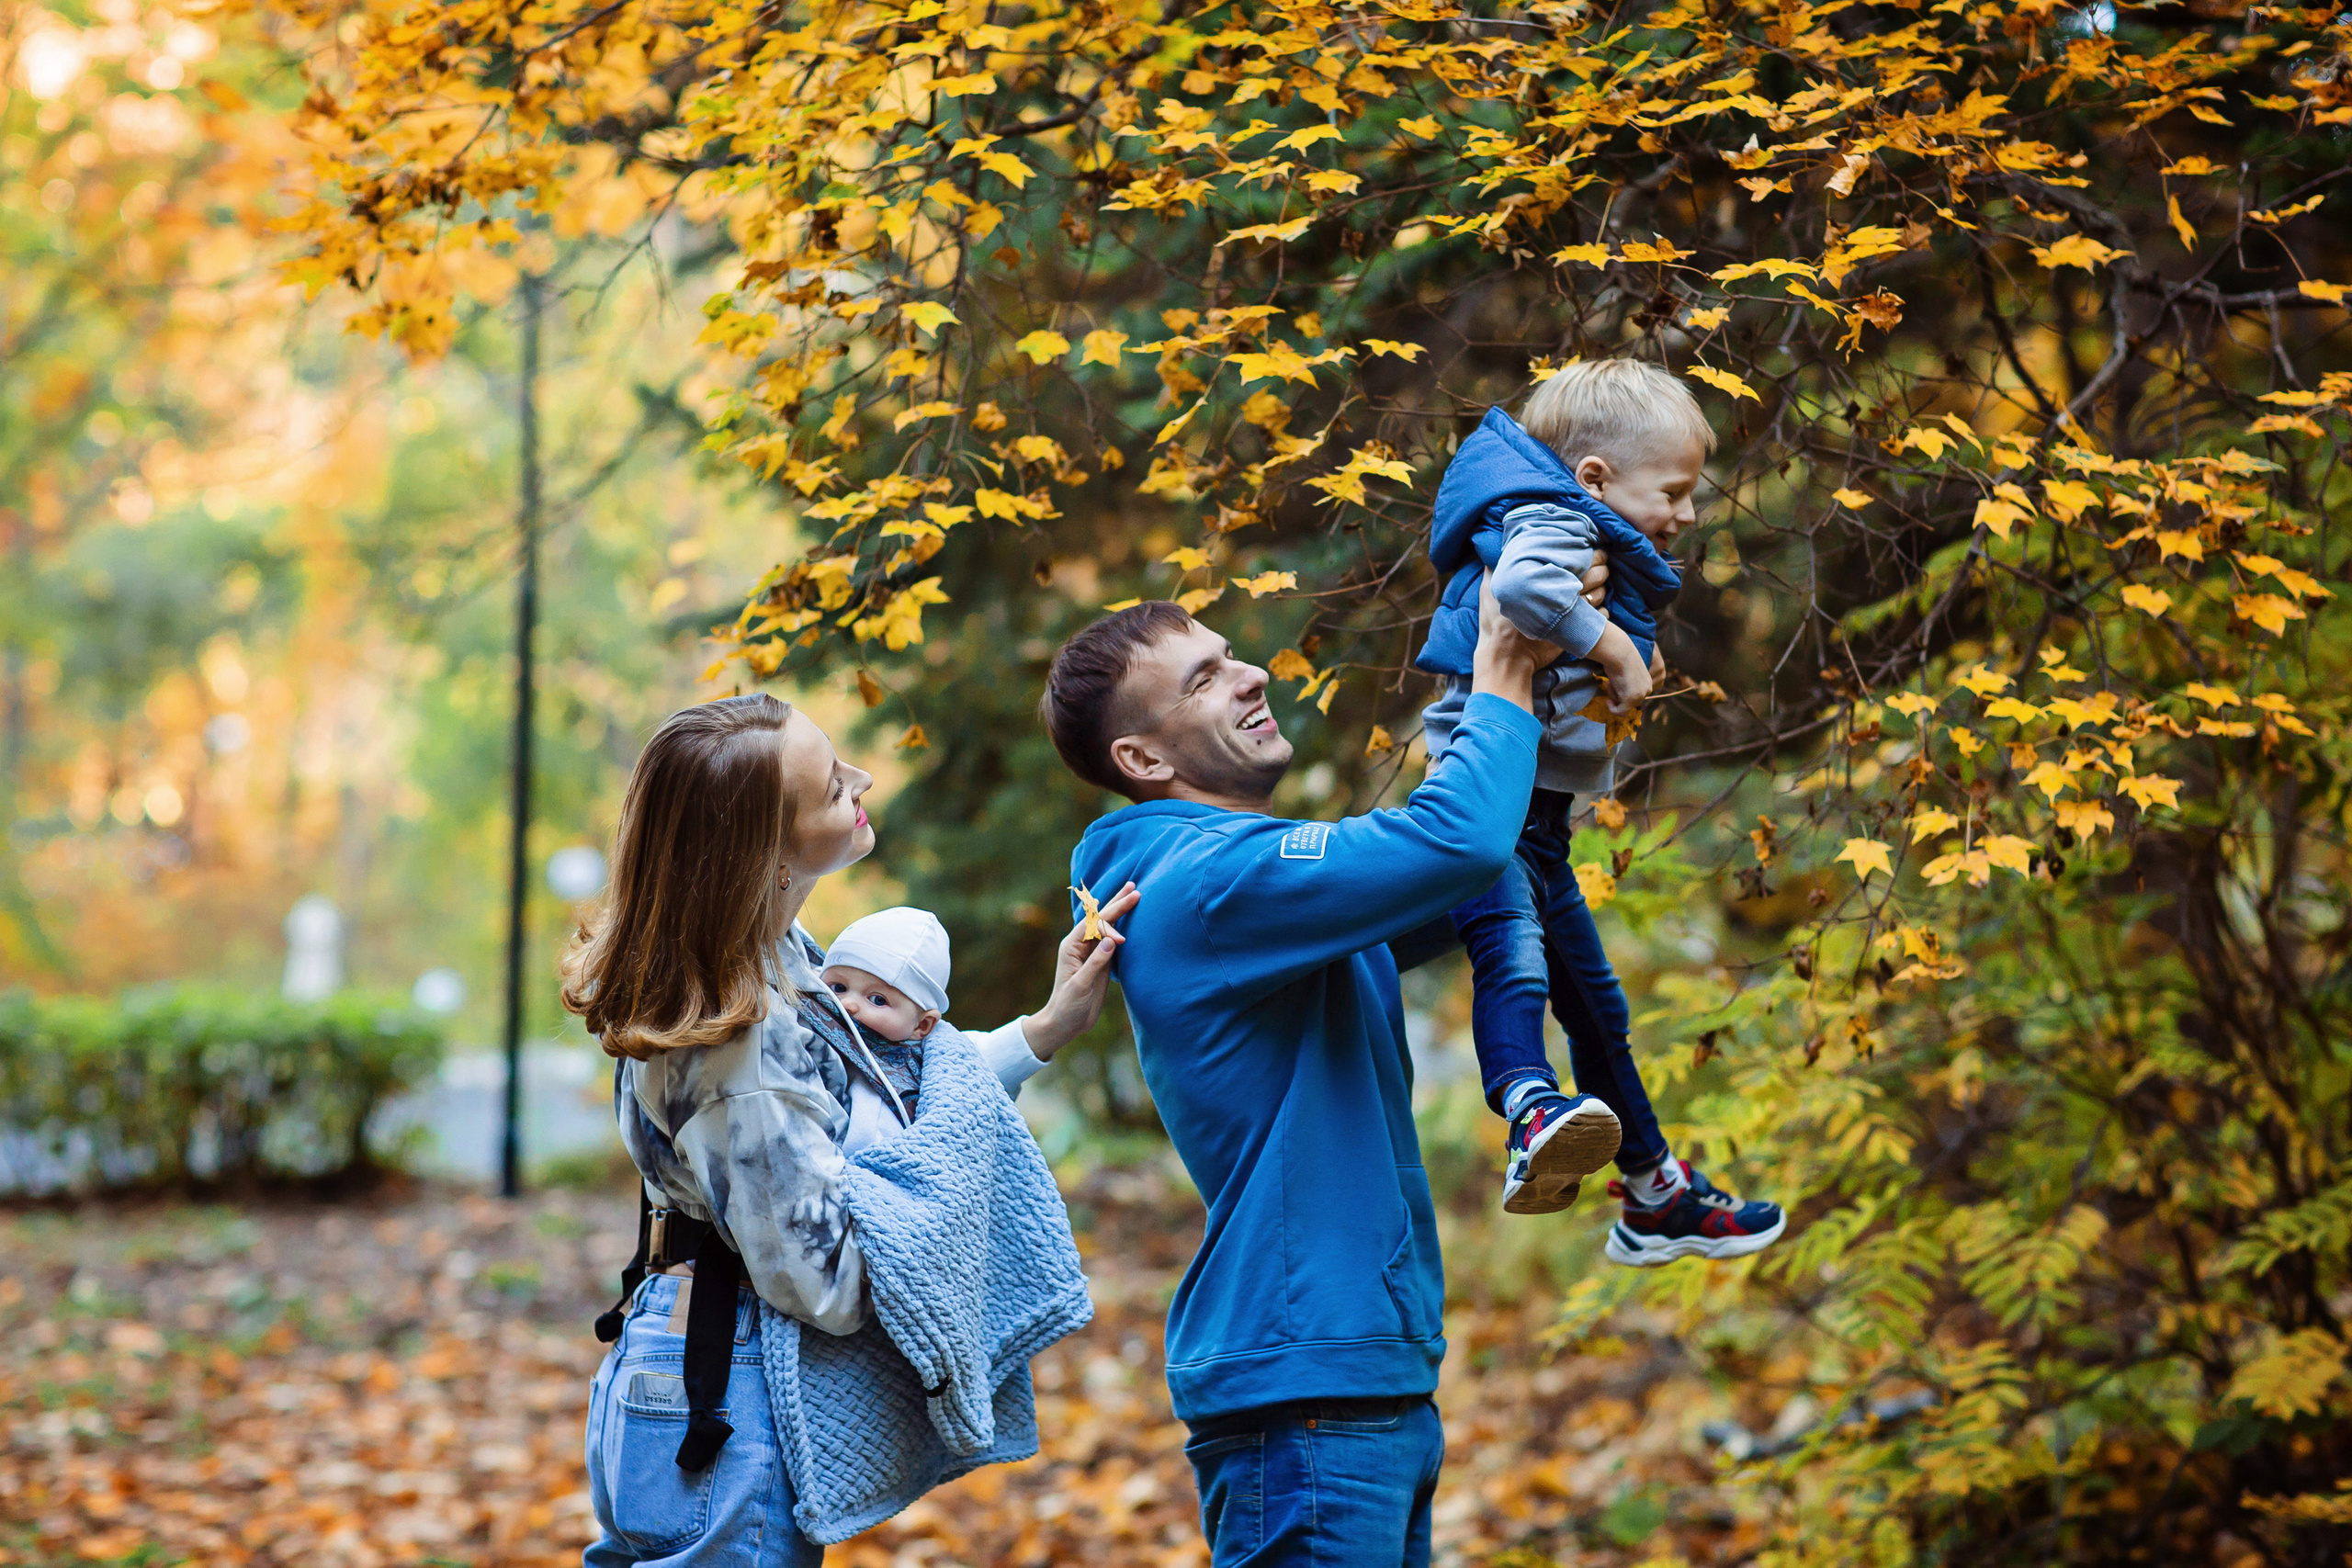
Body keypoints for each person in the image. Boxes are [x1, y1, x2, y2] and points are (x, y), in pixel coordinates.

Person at [560, 694, 1138, 1564]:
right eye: (833, 788)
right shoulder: (738, 1038)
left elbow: (873, 1091)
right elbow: (822, 1279)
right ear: (766, 848)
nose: (863, 782)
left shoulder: (756, 962)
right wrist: (932, 1189)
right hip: (726, 1400)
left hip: (681, 1371)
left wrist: (1044, 1028)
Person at [1043, 583, 1553, 1568]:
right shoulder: (1208, 882)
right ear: (1142, 760)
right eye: (1204, 680)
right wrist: (1502, 664)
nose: (1252, 675)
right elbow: (1455, 839)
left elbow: (1468, 869)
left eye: (1232, 655)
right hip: (1306, 1394)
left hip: (1356, 1378)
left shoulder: (1254, 883)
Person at [1415, 357, 1784, 1264]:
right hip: (1483, 799)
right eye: (1676, 491)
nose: (1688, 514)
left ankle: (1655, 1195)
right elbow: (1522, 595)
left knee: (1598, 1006)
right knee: (1514, 962)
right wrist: (1612, 644)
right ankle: (1528, 1105)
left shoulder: (1575, 518)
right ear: (1594, 478)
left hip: (1537, 820)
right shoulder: (1549, 518)